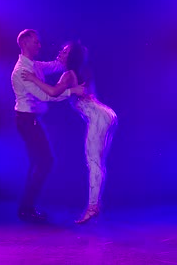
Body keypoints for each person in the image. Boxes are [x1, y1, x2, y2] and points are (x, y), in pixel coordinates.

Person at [22, 40, 117, 224]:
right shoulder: (83, 72)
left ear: (71, 56)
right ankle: (96, 204)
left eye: (65, 51)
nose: (60, 52)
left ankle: (92, 208)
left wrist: (33, 79)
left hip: (99, 117)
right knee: (99, 163)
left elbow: (53, 94)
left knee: (94, 162)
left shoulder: (68, 75)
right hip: (107, 114)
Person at [11, 29, 85, 222]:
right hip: (27, 120)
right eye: (36, 42)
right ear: (25, 43)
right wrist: (72, 91)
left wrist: (68, 55)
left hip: (31, 120)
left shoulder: (34, 65)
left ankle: (26, 207)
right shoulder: (22, 71)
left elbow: (54, 66)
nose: (40, 45)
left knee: (39, 162)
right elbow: (46, 95)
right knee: (45, 162)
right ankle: (26, 209)